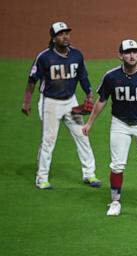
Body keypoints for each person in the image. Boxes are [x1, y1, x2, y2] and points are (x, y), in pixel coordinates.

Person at [82, 39, 137, 216]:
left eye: (135, 52)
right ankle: (115, 202)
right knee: (117, 166)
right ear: (120, 55)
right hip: (120, 124)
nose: (132, 56)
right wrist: (89, 123)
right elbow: (102, 100)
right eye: (128, 52)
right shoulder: (111, 77)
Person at [21, 21, 101, 189]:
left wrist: (89, 93)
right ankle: (41, 178)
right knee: (49, 140)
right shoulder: (44, 57)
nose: (65, 36)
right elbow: (32, 81)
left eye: (67, 33)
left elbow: (83, 77)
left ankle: (89, 174)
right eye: (61, 34)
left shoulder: (76, 55)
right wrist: (26, 101)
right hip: (49, 102)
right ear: (53, 38)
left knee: (82, 135)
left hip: (70, 101)